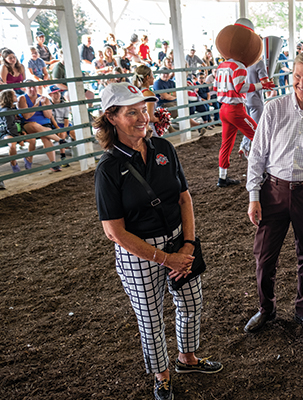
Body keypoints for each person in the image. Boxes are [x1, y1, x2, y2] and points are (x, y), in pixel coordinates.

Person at [93, 82, 223, 400]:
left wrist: (188, 246)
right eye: (132, 112)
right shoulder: (108, 169)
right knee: (150, 317)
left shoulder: (164, 148)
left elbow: (184, 198)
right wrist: (167, 259)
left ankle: (187, 358)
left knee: (191, 303)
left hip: (179, 243)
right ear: (111, 118)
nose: (142, 117)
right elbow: (114, 232)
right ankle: (161, 374)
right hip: (139, 254)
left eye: (143, 109)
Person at [244, 50, 303, 338]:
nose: (302, 83)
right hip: (272, 190)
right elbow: (257, 155)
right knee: (264, 256)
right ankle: (265, 308)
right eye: (297, 76)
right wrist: (254, 195)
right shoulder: (274, 109)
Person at [212, 18, 274, 188]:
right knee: (259, 136)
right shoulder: (238, 66)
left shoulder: (221, 66)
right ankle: (262, 172)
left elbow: (215, 86)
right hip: (235, 109)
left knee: (226, 143)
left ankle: (222, 176)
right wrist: (262, 85)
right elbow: (241, 87)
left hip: (223, 108)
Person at [17, 80, 66, 171]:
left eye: (34, 86)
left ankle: (53, 163)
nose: (32, 89)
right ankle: (60, 140)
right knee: (34, 125)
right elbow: (26, 116)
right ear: (25, 88)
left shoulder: (44, 98)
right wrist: (36, 105)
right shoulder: (22, 99)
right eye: (29, 87)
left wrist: (43, 104)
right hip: (29, 125)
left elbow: (48, 116)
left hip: (44, 124)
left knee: (46, 137)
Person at [238, 57, 269, 158]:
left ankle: (244, 146)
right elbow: (264, 82)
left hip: (244, 98)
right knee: (256, 128)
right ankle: (247, 148)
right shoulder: (259, 62)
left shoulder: (243, 62)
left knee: (250, 125)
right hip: (255, 98)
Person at [0, 89, 35, 173]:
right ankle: (14, 164)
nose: (16, 97)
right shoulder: (6, 111)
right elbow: (9, 127)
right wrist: (19, 139)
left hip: (15, 131)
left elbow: (18, 122)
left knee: (32, 140)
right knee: (12, 144)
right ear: (9, 98)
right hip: (5, 132)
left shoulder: (13, 108)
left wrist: (22, 131)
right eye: (14, 95)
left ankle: (29, 160)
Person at [132, 65, 162, 137]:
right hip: (148, 128)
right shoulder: (148, 94)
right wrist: (159, 120)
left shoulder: (136, 92)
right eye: (152, 75)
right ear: (148, 77)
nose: (154, 78)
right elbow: (150, 117)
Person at [47, 85, 72, 166]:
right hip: (55, 125)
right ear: (50, 95)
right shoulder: (49, 105)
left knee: (76, 132)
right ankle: (63, 157)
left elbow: (66, 118)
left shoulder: (64, 104)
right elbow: (52, 118)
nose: (57, 94)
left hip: (64, 123)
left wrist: (65, 128)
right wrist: (59, 128)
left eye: (58, 92)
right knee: (61, 134)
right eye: (54, 93)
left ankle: (84, 152)